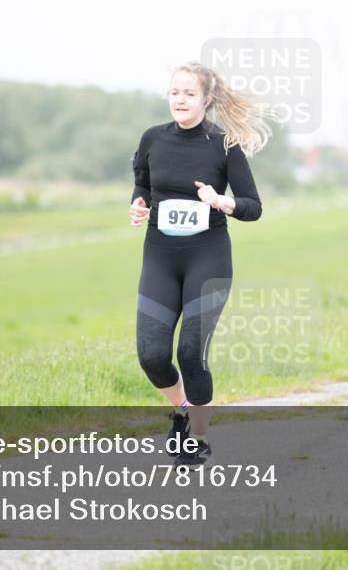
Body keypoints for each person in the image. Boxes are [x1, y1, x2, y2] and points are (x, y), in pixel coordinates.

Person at [129, 61, 271, 467]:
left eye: (189, 94)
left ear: (206, 100)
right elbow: (143, 183)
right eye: (175, 92)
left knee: (191, 352)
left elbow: (253, 207)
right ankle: (181, 412)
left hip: (207, 259)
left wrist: (222, 201)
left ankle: (199, 436)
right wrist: (139, 205)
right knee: (153, 357)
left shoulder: (224, 146)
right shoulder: (152, 138)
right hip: (159, 257)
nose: (180, 99)